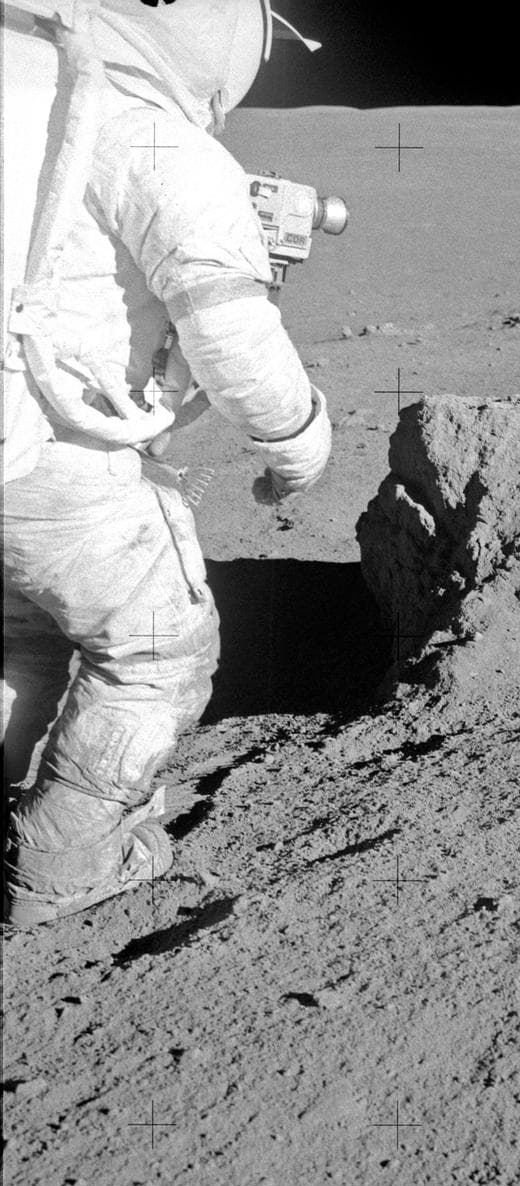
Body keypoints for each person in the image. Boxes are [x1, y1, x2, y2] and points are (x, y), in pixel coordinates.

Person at [2, 0, 330, 925]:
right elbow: (229, 334)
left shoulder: (26, 86)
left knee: (23, 637)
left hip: (10, 459)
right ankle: (63, 870)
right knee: (157, 653)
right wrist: (298, 444)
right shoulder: (144, 136)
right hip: (46, 459)